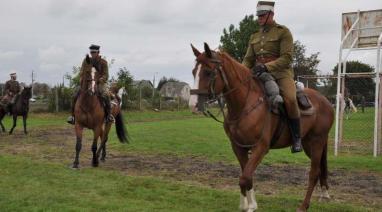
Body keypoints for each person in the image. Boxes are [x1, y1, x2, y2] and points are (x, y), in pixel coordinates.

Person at [242, 1, 302, 153]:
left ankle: (296, 138)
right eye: (258, 16)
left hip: (281, 74)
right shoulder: (254, 36)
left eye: (262, 15)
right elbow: (248, 59)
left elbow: (287, 58)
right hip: (260, 74)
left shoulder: (283, 32)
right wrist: (242, 73)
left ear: (271, 14)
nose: (259, 18)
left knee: (290, 98)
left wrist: (267, 66)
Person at [67, 44, 115, 125]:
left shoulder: (103, 62)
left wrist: (100, 80)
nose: (92, 54)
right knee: (75, 94)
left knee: (105, 94)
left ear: (98, 52)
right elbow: (82, 71)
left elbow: (106, 75)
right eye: (91, 52)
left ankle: (108, 116)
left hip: (99, 83)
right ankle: (72, 116)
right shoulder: (86, 61)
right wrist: (82, 79)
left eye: (94, 52)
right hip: (87, 82)